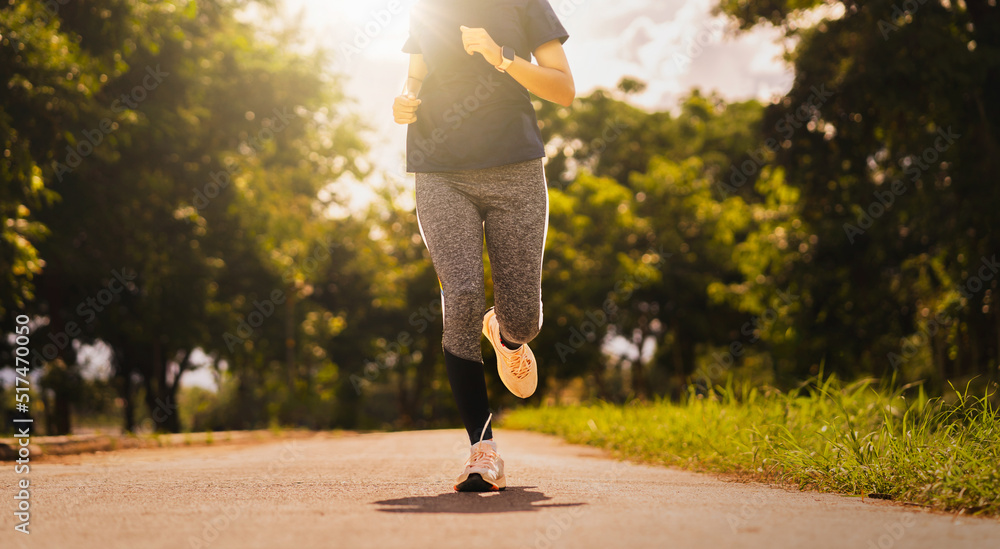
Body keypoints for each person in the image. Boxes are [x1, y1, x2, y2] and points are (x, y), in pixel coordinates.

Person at [392, 0, 574, 492]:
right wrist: (404, 98)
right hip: (439, 170)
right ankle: (482, 449)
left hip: (515, 172)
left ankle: (507, 335)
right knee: (463, 293)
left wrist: (501, 57)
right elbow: (415, 75)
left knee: (524, 319)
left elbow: (563, 89)